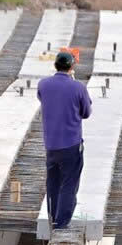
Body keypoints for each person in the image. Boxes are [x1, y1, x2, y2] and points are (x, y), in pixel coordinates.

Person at [37, 51, 92, 230]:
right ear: (72, 66)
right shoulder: (78, 88)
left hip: (51, 145)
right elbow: (86, 113)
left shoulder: (43, 84)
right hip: (71, 145)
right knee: (69, 183)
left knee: (52, 183)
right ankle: (62, 223)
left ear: (55, 66)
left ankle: (53, 217)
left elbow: (42, 98)